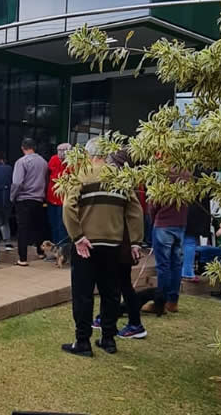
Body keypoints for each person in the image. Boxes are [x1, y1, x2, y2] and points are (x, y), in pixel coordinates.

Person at [62, 142, 144, 357]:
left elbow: (68, 206)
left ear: (88, 154)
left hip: (86, 245)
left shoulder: (81, 174)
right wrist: (135, 241)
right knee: (111, 293)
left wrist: (77, 236)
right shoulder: (120, 178)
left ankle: (82, 341)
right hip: (113, 244)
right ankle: (108, 339)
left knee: (83, 294)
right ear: (107, 154)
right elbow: (135, 210)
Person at [146, 169, 190, 313]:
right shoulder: (187, 174)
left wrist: (153, 219)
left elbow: (153, 203)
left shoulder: (163, 173)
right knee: (176, 264)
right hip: (180, 223)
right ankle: (172, 301)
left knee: (163, 266)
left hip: (163, 224)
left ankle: (160, 303)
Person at [11, 138, 48, 267]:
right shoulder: (43, 162)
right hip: (38, 199)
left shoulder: (21, 162)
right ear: (34, 147)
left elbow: (17, 182)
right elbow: (46, 180)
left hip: (24, 199)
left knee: (23, 229)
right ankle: (41, 252)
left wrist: (12, 197)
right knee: (38, 227)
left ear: (22, 148)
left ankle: (23, 258)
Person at [47, 143, 70, 246]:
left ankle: (63, 249)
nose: (60, 152)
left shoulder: (72, 162)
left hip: (64, 199)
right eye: (59, 150)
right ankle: (55, 247)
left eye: (63, 150)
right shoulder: (53, 159)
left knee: (62, 225)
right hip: (51, 197)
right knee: (53, 224)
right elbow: (49, 173)